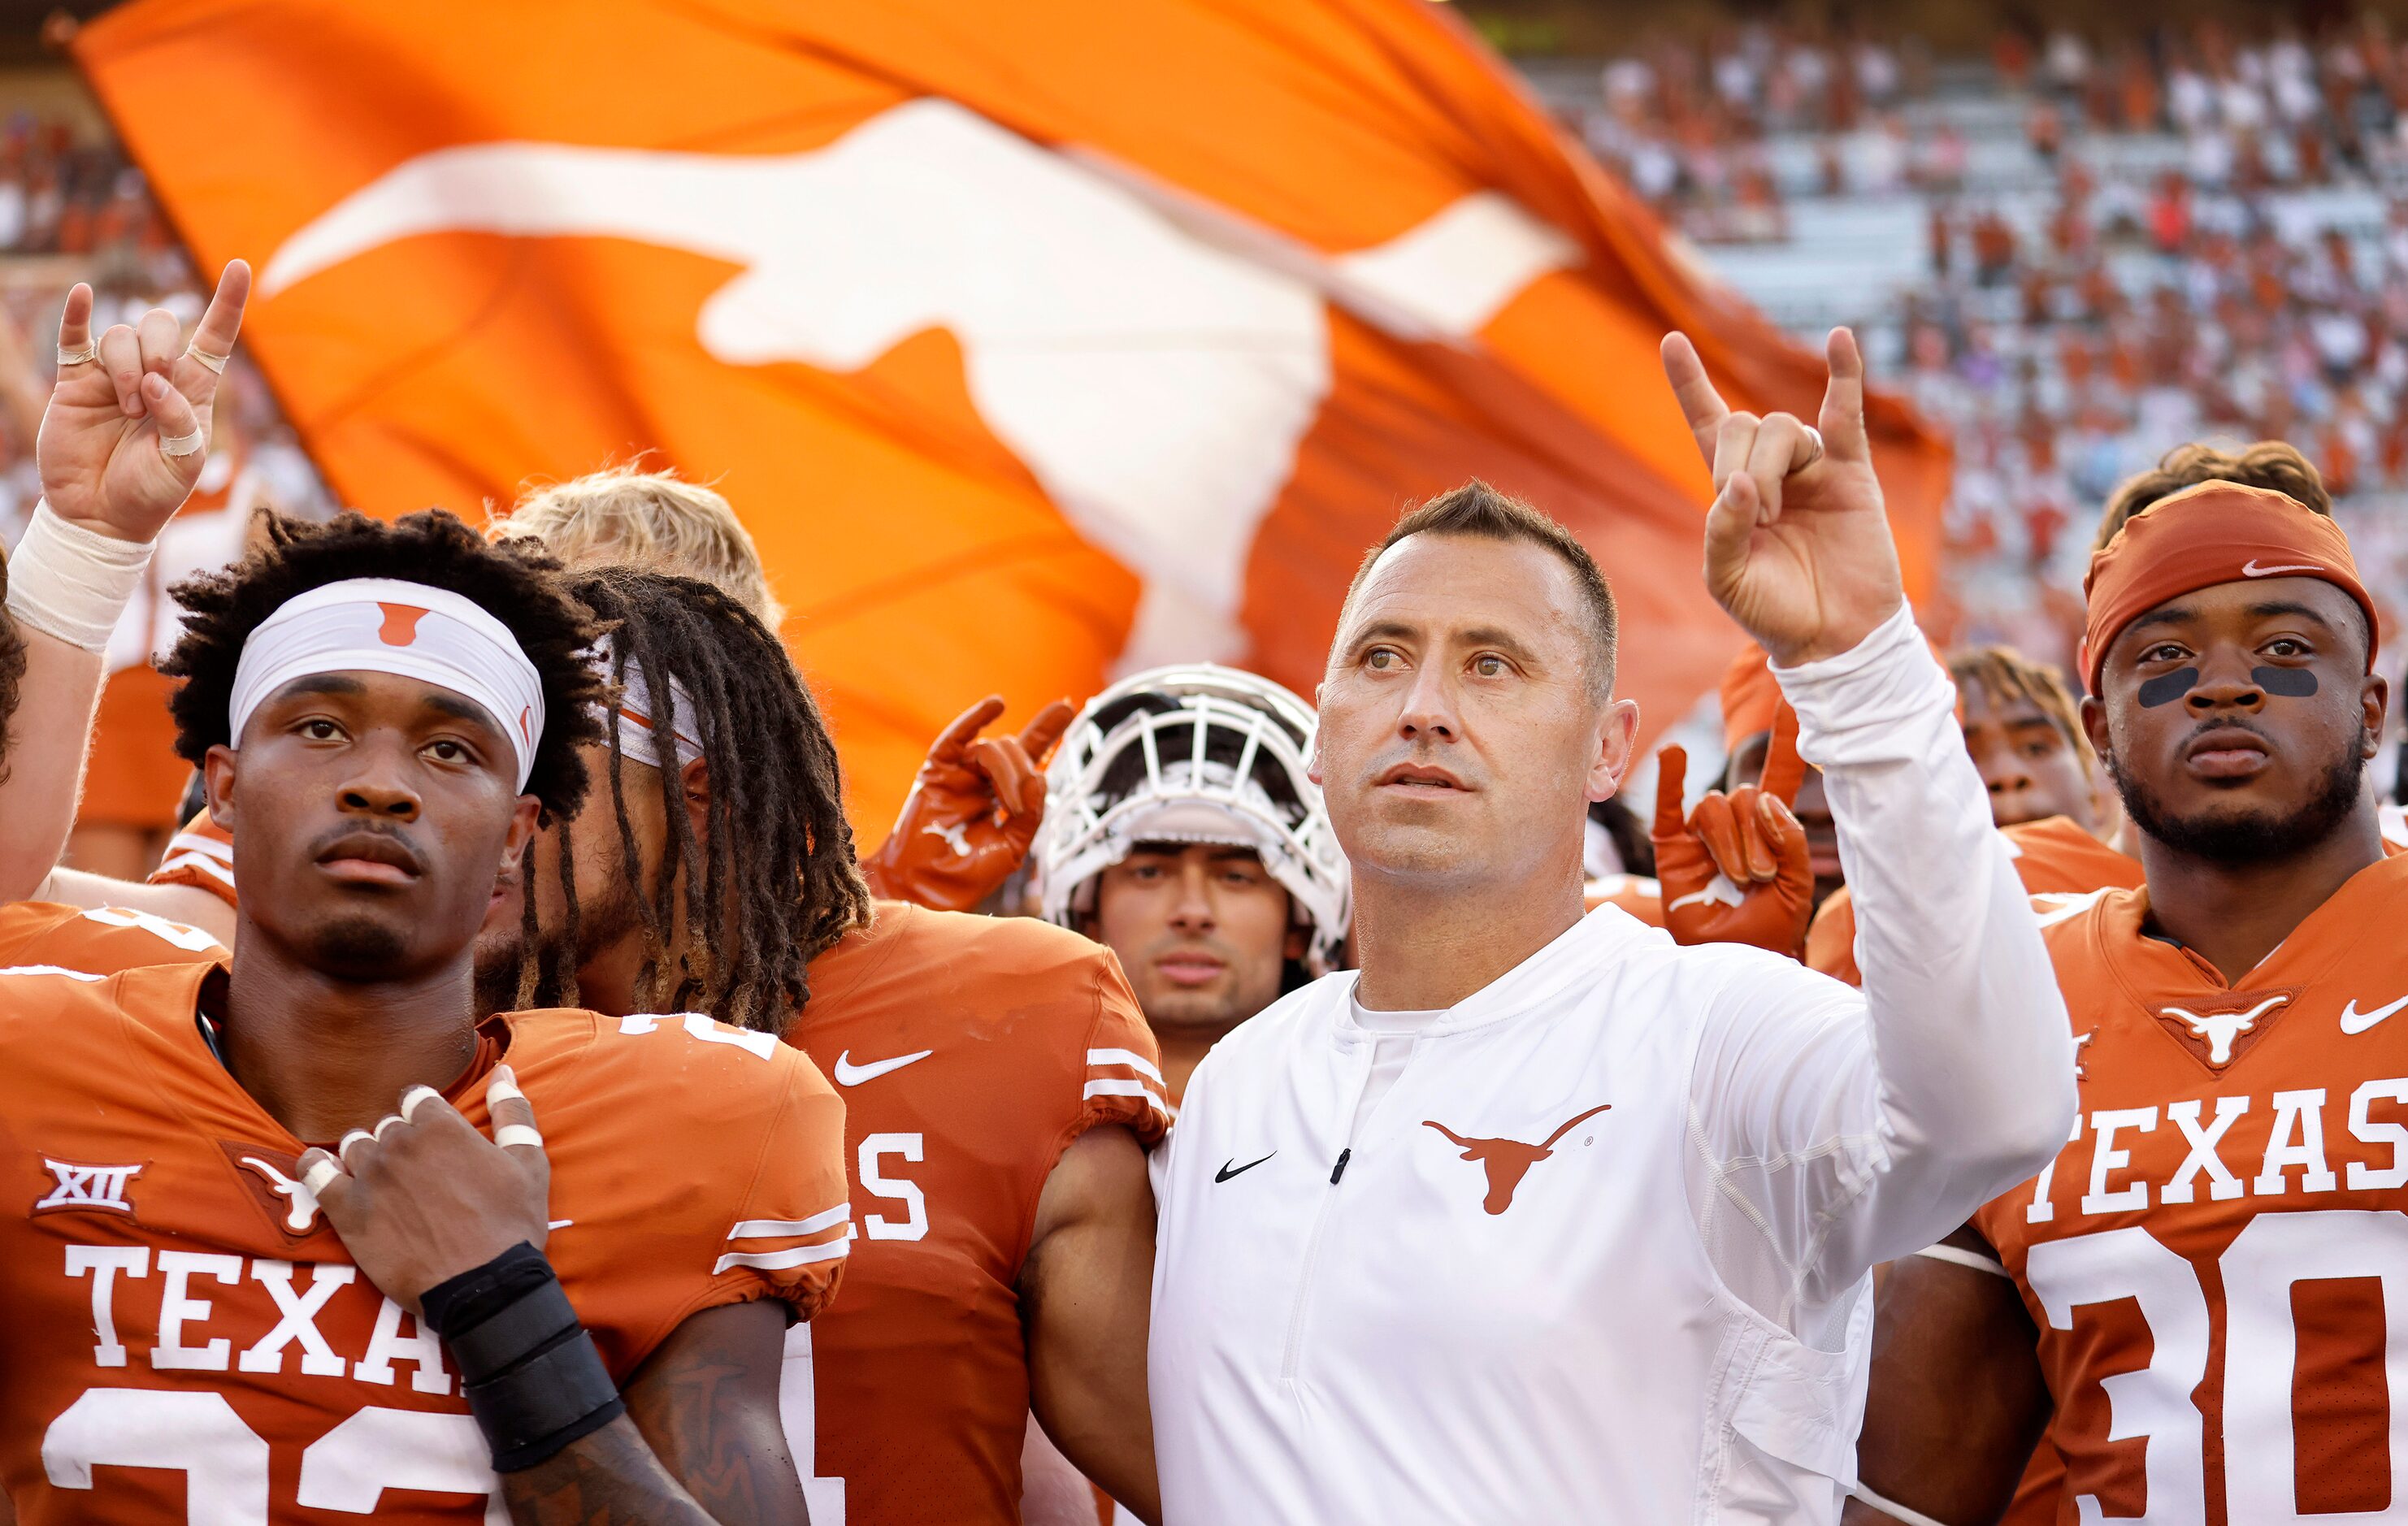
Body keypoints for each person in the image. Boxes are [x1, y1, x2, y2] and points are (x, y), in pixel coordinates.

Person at [43, 470, 1175, 1525]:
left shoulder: (1012, 1003)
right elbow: (101, 918)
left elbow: (1193, 1463)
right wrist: (79, 549)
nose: (444, 796)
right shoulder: (376, 986)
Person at [1148, 328, 2076, 1523]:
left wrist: (1856, 661)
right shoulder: (1241, 1077)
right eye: (1382, 658)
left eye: (1492, 666)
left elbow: (1994, 1114)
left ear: (1606, 748)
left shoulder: (1710, 1034)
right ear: (1321, 729)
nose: (1423, 708)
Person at [0, 502, 851, 1524]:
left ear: (516, 834)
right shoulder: (33, 1059)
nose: (378, 785)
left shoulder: (694, 1113)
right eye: (320, 729)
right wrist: (87, 542)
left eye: (450, 750)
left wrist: (498, 1300)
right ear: (222, 788)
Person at [1844, 479, 2406, 1526]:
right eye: (2163, 657)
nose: (2223, 685)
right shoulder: (2014, 1002)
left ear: (2369, 708)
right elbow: (1906, 1495)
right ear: (2099, 728)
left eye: (2286, 650)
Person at [1035, 663, 1351, 1101]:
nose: (1192, 913)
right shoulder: (1002, 1107)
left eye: (1236, 876)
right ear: (1088, 913)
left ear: (1298, 926)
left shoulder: (1374, 1123)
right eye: (1149, 872)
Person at [1806, 646, 2141, 986]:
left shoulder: (2165, 897)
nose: (2007, 775)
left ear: (2095, 788)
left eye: (2037, 747)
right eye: (1965, 754)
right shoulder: (1864, 915)